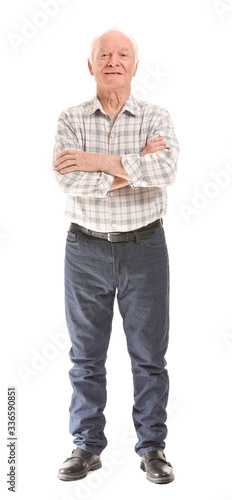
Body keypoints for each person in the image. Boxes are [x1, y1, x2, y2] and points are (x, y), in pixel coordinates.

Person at [53, 28, 179, 485]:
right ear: (90, 65)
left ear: (135, 65)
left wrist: (97, 161)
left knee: (149, 356)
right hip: (84, 248)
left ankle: (153, 448)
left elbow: (165, 170)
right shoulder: (70, 119)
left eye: (122, 54)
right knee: (85, 356)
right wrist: (133, 165)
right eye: (103, 54)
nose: (113, 60)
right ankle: (86, 446)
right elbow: (69, 181)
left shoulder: (155, 116)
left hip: (145, 248)